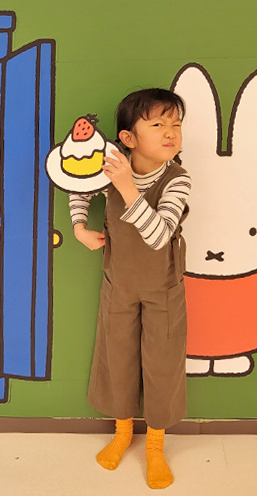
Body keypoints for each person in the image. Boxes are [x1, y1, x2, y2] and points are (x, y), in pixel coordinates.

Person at [70, 88, 191, 489]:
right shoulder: (111, 167)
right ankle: (122, 431)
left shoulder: (177, 179)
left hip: (163, 287)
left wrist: (126, 187)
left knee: (162, 362)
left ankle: (155, 443)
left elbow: (158, 236)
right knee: (116, 356)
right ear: (128, 137)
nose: (170, 132)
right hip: (119, 283)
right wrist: (79, 227)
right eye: (157, 124)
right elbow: (76, 185)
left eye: (175, 124)